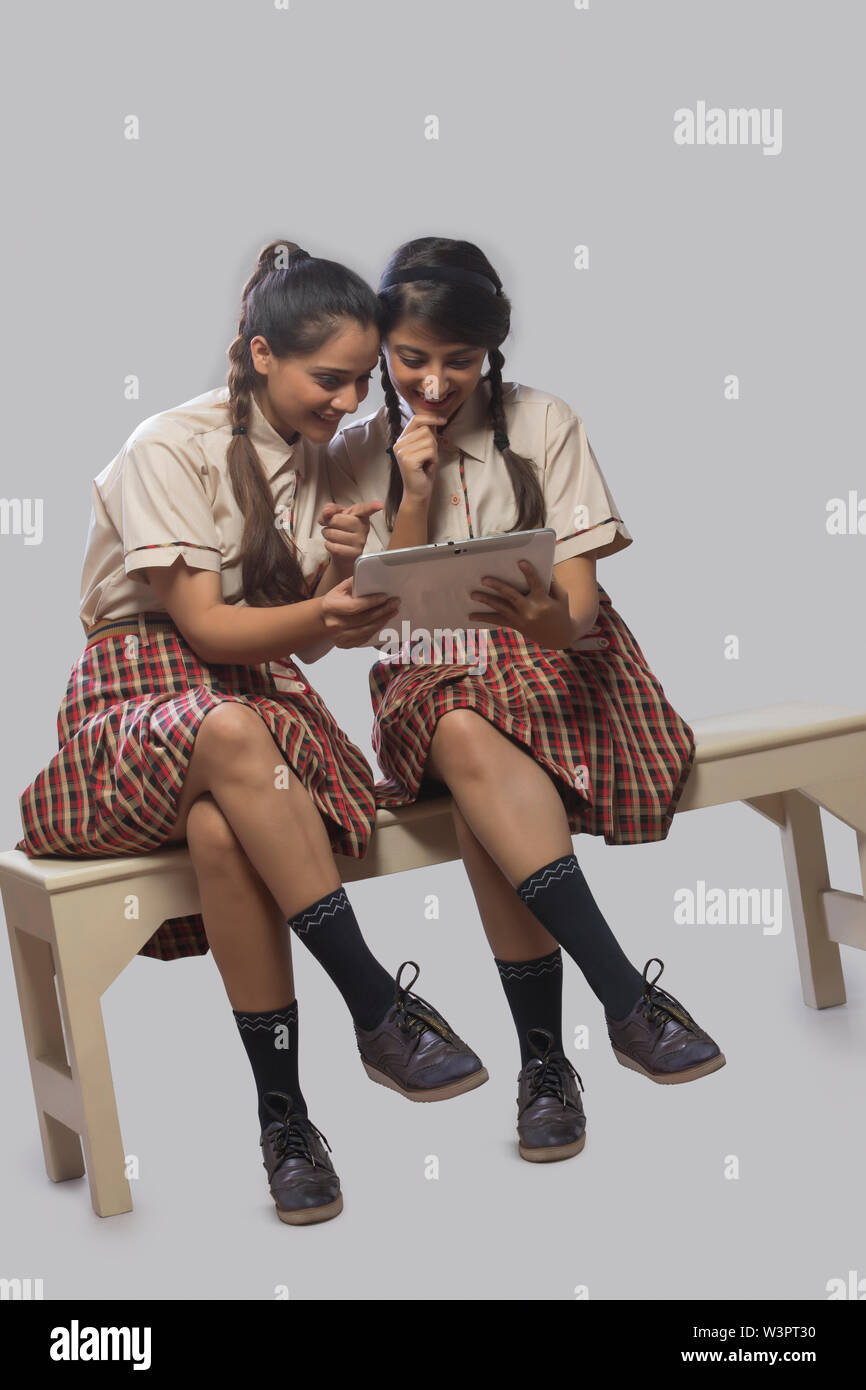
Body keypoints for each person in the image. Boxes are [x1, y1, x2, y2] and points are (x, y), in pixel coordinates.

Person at [15, 239, 487, 1226]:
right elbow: (202, 629)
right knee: (228, 729)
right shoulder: (169, 446)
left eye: (362, 379)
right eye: (329, 377)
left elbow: (300, 652)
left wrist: (345, 578)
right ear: (261, 352)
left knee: (228, 826)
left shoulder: (315, 470)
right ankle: (376, 1005)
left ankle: (283, 1121)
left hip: (257, 708)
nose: (349, 399)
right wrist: (321, 615)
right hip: (136, 700)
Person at [324, 236, 725, 1166]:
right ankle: (626, 998)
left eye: (458, 360)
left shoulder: (545, 420)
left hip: (561, 670)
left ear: (492, 351)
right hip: (429, 677)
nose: (434, 381)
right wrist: (412, 493)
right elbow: (386, 632)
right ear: (384, 346)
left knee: (478, 783)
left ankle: (543, 1067)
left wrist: (536, 613)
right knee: (462, 718)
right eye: (413, 358)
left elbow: (578, 618)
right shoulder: (357, 451)